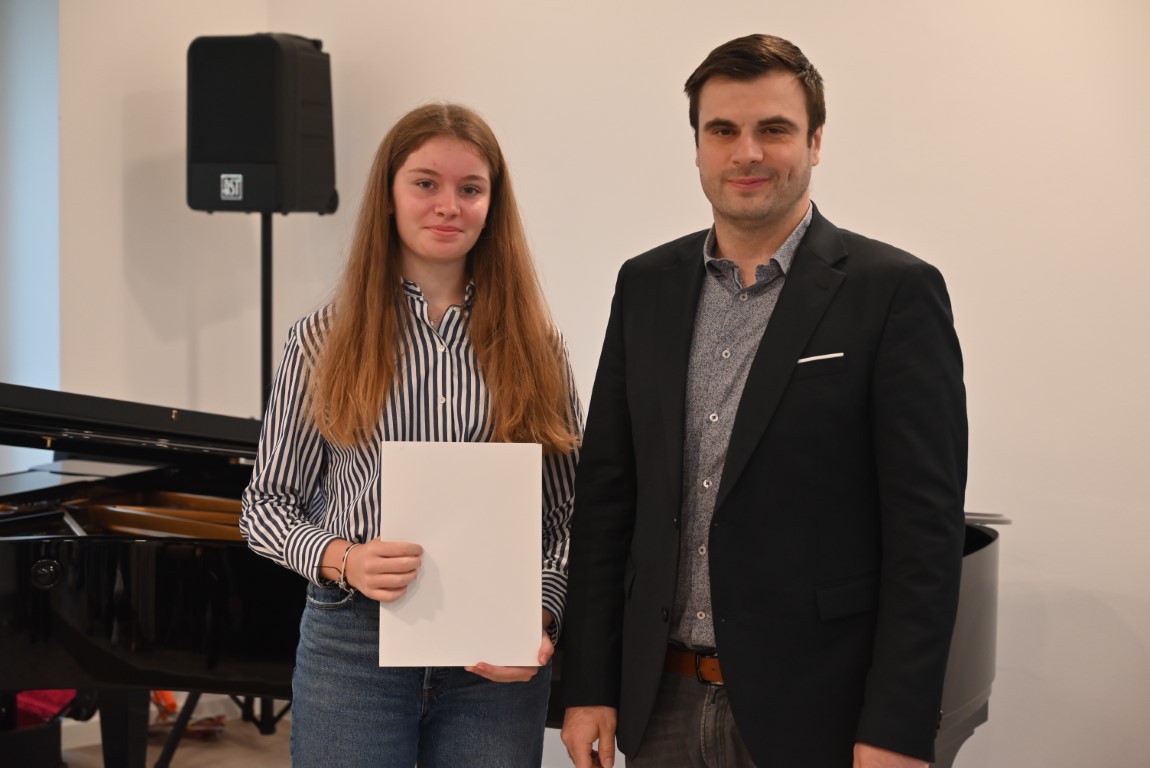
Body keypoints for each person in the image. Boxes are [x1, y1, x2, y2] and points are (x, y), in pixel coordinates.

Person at [559, 33, 967, 768]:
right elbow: (607, 499)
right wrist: (589, 683)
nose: (746, 153)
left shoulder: (894, 293)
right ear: (697, 147)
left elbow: (924, 537)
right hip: (661, 704)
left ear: (815, 141)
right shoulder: (645, 286)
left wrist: (896, 728)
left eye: (773, 129)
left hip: (819, 710)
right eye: (723, 130)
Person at [240, 103, 581, 768]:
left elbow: (568, 511)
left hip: (494, 653)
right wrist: (343, 558)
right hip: (352, 648)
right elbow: (265, 508)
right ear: (389, 196)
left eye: (470, 188)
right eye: (426, 183)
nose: (448, 205)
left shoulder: (538, 346)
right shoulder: (322, 340)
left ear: (492, 205)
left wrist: (540, 611)